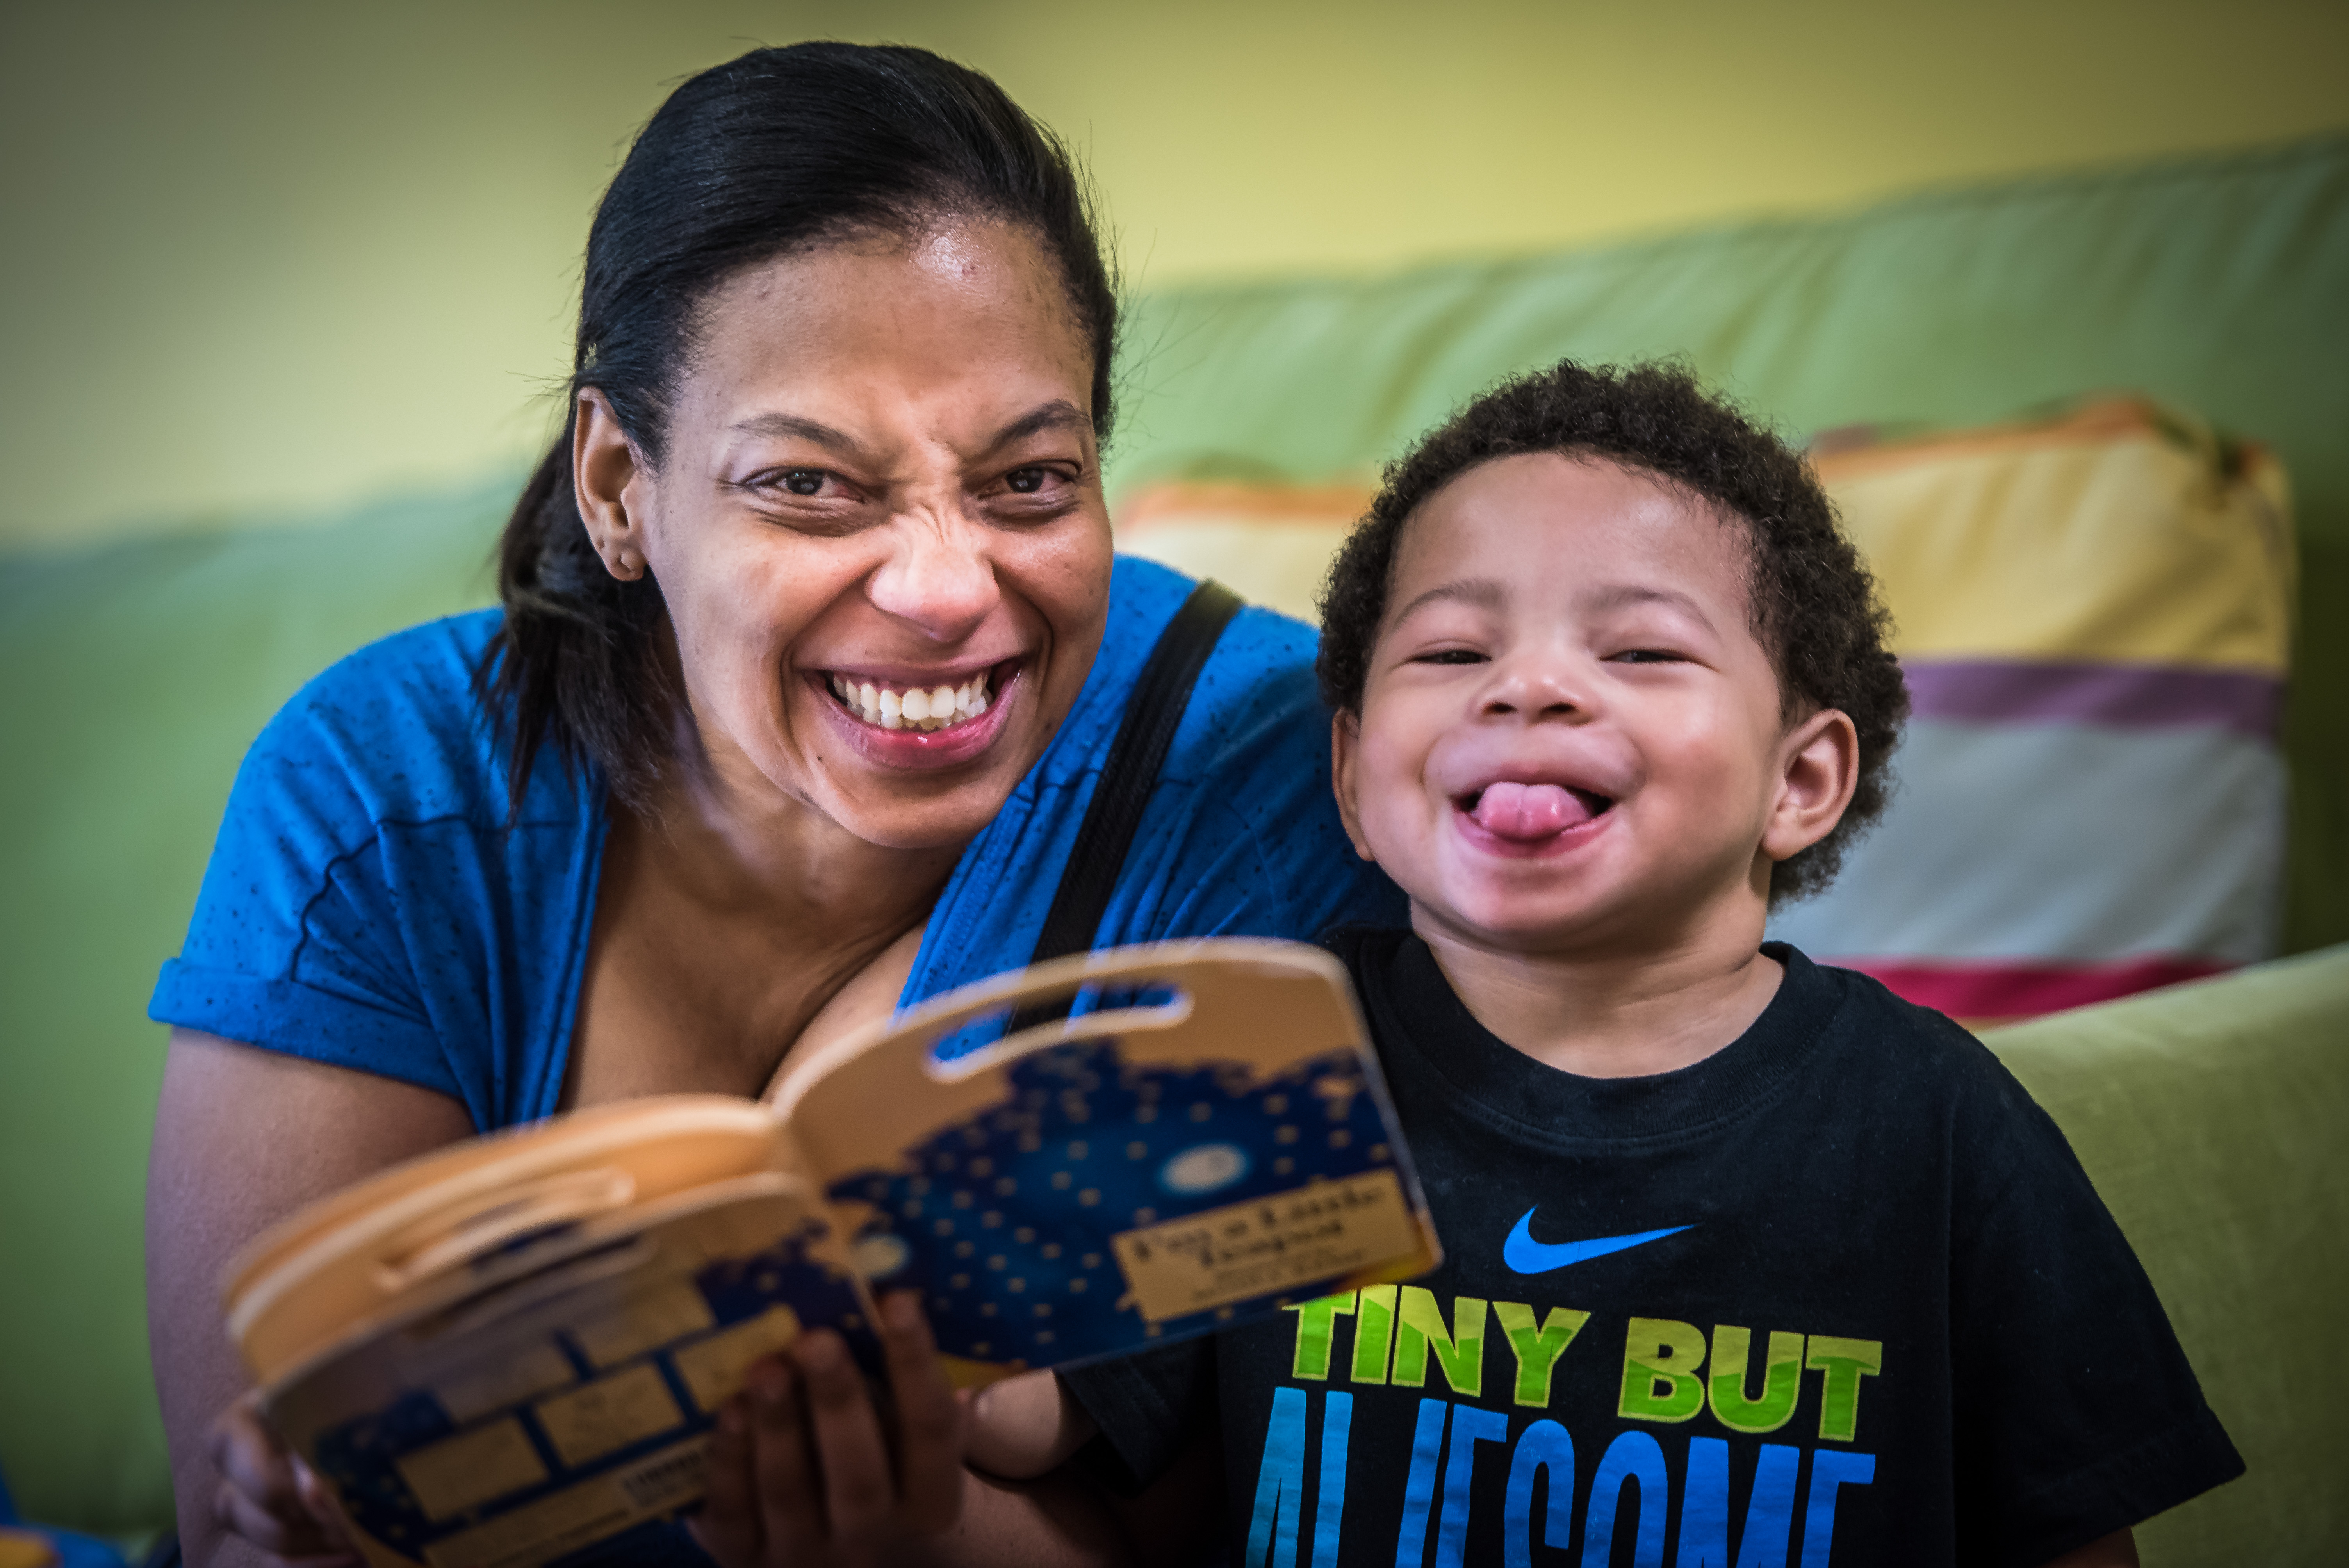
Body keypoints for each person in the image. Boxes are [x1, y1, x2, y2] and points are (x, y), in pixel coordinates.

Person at [145, 43, 1401, 1568]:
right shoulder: (381, 795)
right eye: (809, 485)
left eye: (1028, 480)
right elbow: (252, 1509)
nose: (946, 587)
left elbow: (1220, 1519)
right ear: (618, 484)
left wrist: (907, 1537)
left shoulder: (1271, 768)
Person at [971, 361, 2244, 1566]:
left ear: (1800, 781)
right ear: (1354, 775)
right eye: (1454, 653)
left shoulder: (1937, 1123)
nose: (1528, 687)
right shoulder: (1260, 1064)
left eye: (1637, 650)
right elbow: (1032, 1410)